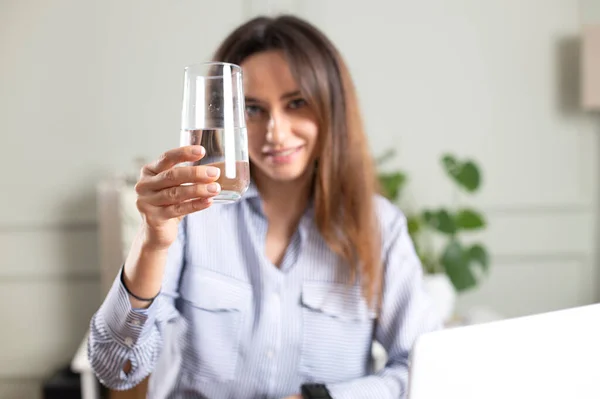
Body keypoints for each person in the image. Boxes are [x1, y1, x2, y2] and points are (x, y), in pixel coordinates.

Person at [88, 14, 441, 399]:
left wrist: (319, 398)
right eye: (253, 110)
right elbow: (115, 367)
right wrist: (152, 242)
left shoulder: (380, 227)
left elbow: (425, 370)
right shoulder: (193, 215)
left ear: (332, 107)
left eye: (297, 103)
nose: (276, 132)